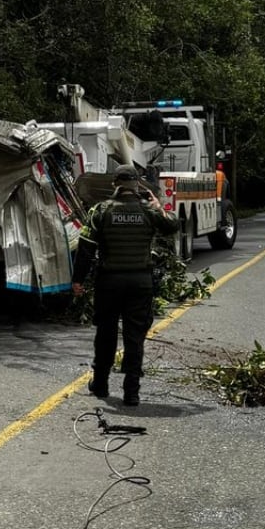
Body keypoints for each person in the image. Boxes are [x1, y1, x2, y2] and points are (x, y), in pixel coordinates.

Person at [72, 165, 179, 406]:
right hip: (140, 283)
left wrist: (78, 280)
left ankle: (100, 384)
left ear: (115, 184)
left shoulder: (101, 211)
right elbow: (173, 226)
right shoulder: (148, 211)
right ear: (137, 185)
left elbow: (86, 249)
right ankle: (132, 391)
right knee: (134, 337)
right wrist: (159, 206)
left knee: (106, 333)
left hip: (109, 282)